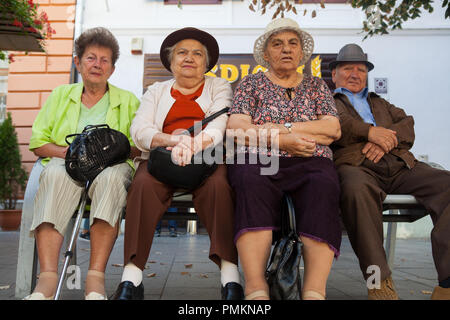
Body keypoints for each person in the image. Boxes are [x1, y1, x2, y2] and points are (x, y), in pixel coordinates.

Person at [111, 27, 244, 300]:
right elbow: (140, 129)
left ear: (206, 64)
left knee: (220, 186)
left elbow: (219, 126)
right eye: (182, 52)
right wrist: (173, 142)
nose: (189, 58)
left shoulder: (219, 86)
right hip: (162, 158)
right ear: (171, 62)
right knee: (142, 186)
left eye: (197, 54)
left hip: (207, 157)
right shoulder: (156, 90)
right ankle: (132, 279)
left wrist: (193, 145)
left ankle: (230, 277)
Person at [227, 18, 342, 300]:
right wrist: (282, 141)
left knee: (324, 184)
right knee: (250, 180)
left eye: (293, 43)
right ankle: (256, 288)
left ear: (302, 53)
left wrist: (283, 129)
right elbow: (237, 129)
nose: (286, 49)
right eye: (277, 44)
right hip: (261, 158)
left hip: (311, 159)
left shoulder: (317, 86)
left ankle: (315, 290)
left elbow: (332, 129)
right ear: (266, 54)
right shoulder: (251, 84)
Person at [24, 27, 140, 300]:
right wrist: (71, 154)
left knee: (112, 179)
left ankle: (95, 280)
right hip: (67, 164)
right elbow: (39, 142)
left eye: (104, 60)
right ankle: (47, 280)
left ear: (112, 68)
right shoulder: (60, 95)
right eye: (91, 58)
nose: (97, 65)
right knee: (52, 173)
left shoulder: (129, 101)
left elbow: (139, 147)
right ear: (78, 62)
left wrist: (109, 155)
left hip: (110, 168)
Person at [330, 43, 450, 300]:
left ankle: (448, 283)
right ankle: (379, 282)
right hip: (356, 167)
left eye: (361, 69)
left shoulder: (380, 102)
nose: (355, 74)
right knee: (355, 191)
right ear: (334, 75)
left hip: (398, 165)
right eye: (348, 68)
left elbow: (408, 125)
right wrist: (369, 132)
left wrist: (383, 140)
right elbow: (336, 125)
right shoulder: (329, 102)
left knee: (447, 184)